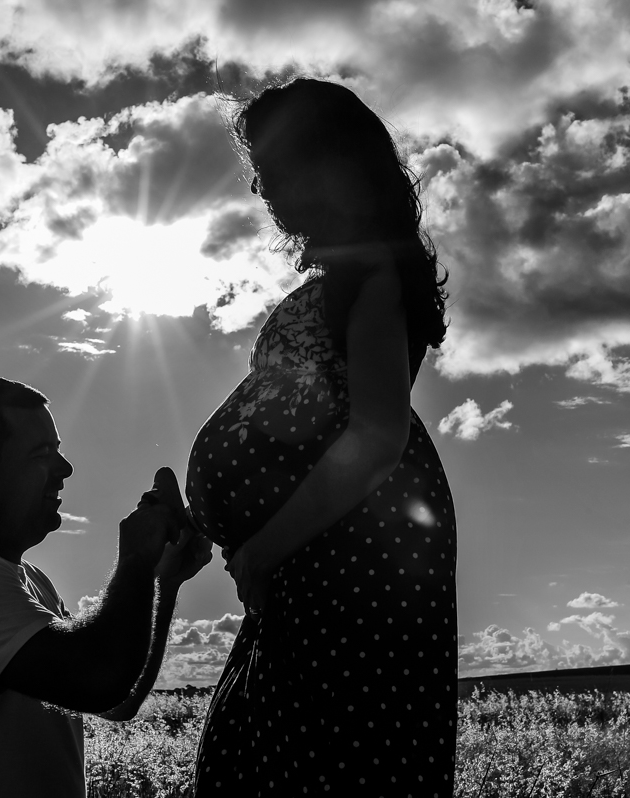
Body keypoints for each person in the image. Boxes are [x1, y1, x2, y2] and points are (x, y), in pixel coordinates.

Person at [185, 78, 458, 796]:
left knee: (330, 761)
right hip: (315, 563)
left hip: (355, 564)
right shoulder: (347, 277)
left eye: (273, 166)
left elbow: (374, 435)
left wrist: (261, 551)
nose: (260, 186)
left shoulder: (373, 277)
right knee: (263, 755)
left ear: (330, 162)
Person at [0, 375, 211, 798]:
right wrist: (136, 560)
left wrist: (163, 579)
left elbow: (115, 701)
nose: (65, 469)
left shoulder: (29, 581)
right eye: (42, 454)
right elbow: (101, 677)